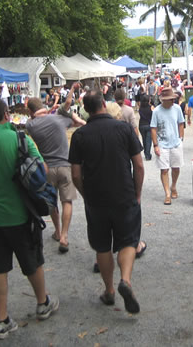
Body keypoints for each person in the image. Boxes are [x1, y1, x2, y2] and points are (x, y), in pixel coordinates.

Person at [0, 98, 59, 340]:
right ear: (7, 114)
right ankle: (42, 302)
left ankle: (2, 320)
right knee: (32, 262)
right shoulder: (22, 140)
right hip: (21, 214)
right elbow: (43, 171)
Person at [69, 90, 144, 314]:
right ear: (104, 103)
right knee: (128, 240)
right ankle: (126, 281)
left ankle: (109, 290)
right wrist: (137, 193)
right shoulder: (124, 129)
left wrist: (86, 195)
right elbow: (139, 165)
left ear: (85, 109)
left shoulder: (80, 135)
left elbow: (75, 174)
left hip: (96, 199)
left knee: (102, 245)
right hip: (124, 194)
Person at [26, 86, 85, 254]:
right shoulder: (58, 120)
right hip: (65, 165)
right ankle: (65, 235)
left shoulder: (31, 125)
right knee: (67, 201)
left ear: (30, 111)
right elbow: (72, 121)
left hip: (47, 167)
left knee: (52, 201)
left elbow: (34, 119)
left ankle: (57, 231)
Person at [151, 87, 185, 205]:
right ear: (163, 100)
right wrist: (155, 145)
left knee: (176, 167)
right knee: (164, 169)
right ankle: (167, 193)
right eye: (170, 99)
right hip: (162, 144)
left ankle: (173, 186)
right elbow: (153, 128)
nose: (172, 101)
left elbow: (181, 123)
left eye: (173, 99)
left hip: (176, 143)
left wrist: (181, 138)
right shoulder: (156, 111)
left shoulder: (177, 109)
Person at [138, 95, 155, 161]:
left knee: (144, 140)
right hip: (149, 124)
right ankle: (147, 154)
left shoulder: (140, 108)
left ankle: (146, 152)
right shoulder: (151, 107)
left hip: (141, 124)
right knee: (148, 141)